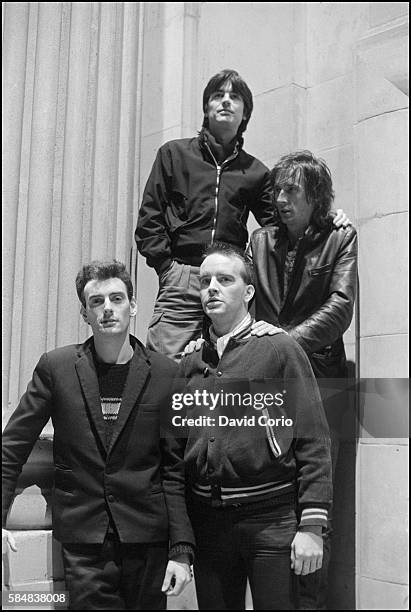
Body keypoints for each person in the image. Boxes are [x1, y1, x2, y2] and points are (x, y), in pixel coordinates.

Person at [2, 260, 194, 611]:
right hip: (84, 539)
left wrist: (181, 550)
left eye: (117, 299)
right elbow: (12, 447)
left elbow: (174, 467)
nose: (107, 309)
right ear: (84, 313)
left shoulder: (168, 374)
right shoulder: (56, 368)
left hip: (147, 537)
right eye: (96, 302)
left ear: (133, 306)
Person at [135, 69, 348, 361]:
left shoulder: (256, 172)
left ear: (245, 113)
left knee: (230, 367)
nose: (225, 101)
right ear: (206, 107)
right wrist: (167, 268)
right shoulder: (173, 154)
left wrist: (326, 216)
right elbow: (150, 218)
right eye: (217, 95)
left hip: (231, 280)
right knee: (167, 370)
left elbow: (282, 220)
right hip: (182, 278)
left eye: (234, 97)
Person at [176, 243, 332, 610]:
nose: (211, 287)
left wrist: (312, 525)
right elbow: (176, 450)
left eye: (224, 279)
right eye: (205, 281)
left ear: (247, 292)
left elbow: (314, 438)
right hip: (209, 523)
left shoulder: (279, 349)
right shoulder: (191, 360)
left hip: (271, 520)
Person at [249, 150, 358, 608]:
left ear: (316, 197)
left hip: (321, 378)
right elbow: (245, 299)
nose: (281, 198)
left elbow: (340, 308)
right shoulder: (259, 241)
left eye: (293, 190)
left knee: (315, 506)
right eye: (278, 190)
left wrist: (285, 348)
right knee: (274, 498)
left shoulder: (340, 235)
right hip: (267, 380)